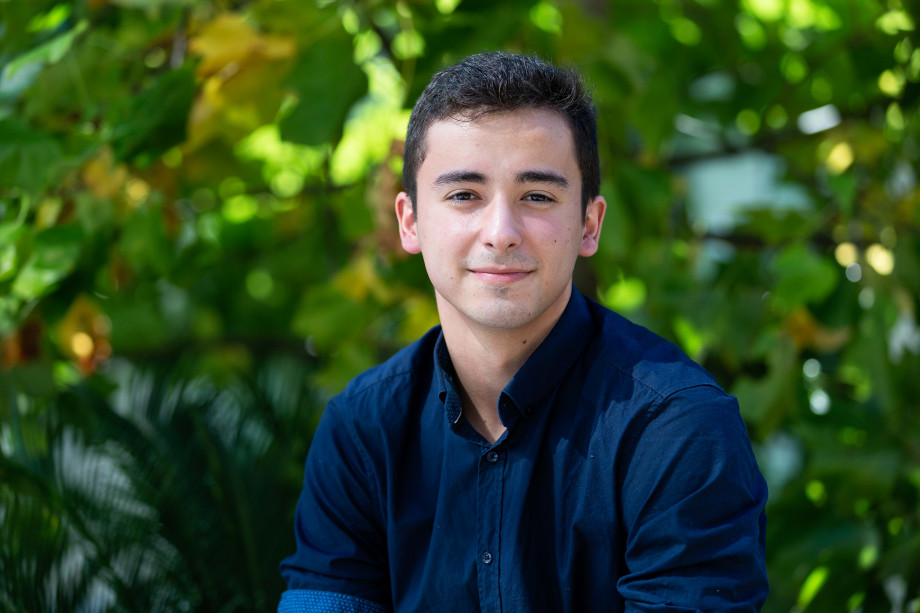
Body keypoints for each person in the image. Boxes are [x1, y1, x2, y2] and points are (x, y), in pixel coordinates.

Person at [279, 51, 768, 612]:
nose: (501, 233)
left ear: (589, 223)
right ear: (409, 221)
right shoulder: (361, 432)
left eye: (537, 196)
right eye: (465, 195)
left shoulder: (678, 430)